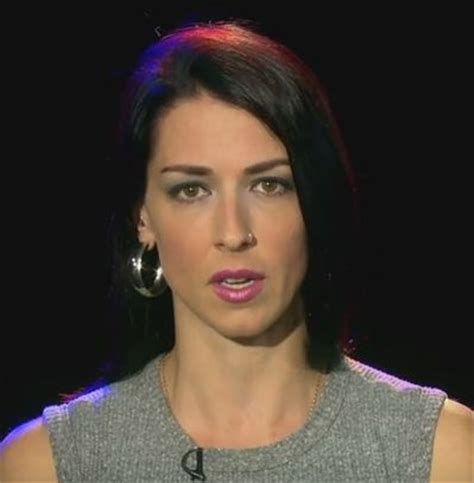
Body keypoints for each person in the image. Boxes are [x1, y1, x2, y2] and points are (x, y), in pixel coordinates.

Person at [1, 20, 472, 482]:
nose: (233, 233)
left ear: (314, 199)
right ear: (143, 217)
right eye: (191, 190)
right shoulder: (50, 466)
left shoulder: (437, 455)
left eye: (269, 185)